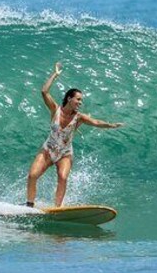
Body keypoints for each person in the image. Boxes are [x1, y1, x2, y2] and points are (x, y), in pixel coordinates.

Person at [25, 62, 124, 208]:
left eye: (81, 100)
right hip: (48, 150)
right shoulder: (55, 110)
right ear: (69, 98)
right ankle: (29, 205)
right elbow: (44, 92)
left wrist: (110, 125)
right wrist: (55, 75)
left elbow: (95, 122)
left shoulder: (79, 117)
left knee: (63, 177)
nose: (80, 102)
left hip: (65, 153)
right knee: (32, 176)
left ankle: (57, 208)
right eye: (78, 99)